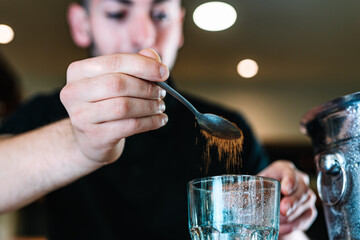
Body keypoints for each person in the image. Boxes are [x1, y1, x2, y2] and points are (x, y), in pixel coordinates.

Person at [0, 0, 317, 239]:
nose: (145, 35)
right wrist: (78, 143)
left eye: (161, 14)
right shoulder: (46, 112)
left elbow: (283, 229)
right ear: (81, 24)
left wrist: (285, 212)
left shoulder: (227, 128)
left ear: (180, 26)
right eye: (117, 13)